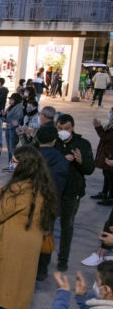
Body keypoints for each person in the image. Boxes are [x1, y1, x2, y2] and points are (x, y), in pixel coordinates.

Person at [0, 146, 58, 309]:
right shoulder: (40, 184)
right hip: (26, 243)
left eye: (15, 160)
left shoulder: (21, 189)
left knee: (15, 290)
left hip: (15, 245)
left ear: (24, 165)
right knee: (8, 284)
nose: (12, 163)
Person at [55, 113, 94, 271]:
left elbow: (89, 169)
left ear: (73, 128)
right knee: (47, 225)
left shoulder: (82, 144)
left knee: (67, 226)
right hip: (55, 191)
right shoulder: (54, 141)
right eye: (60, 128)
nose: (64, 131)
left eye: (67, 129)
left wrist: (80, 161)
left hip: (72, 192)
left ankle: (63, 259)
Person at [36, 125, 69, 281]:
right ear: (54, 140)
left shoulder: (31, 157)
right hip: (50, 206)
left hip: (29, 204)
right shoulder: (62, 160)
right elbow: (61, 187)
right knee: (46, 237)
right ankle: (41, 270)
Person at [91, 110, 113, 205]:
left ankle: (110, 197)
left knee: (111, 177)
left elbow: (106, 138)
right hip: (107, 153)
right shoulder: (110, 124)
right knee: (106, 175)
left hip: (110, 155)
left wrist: (98, 128)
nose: (109, 114)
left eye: (111, 112)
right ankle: (104, 193)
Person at [4, 93, 24, 168]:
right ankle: (10, 165)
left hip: (13, 129)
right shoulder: (10, 107)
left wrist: (6, 117)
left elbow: (15, 120)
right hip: (8, 128)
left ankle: (13, 165)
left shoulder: (19, 107)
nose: (10, 100)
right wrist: (3, 115)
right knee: (9, 149)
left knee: (12, 149)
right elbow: (5, 119)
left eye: (11, 99)